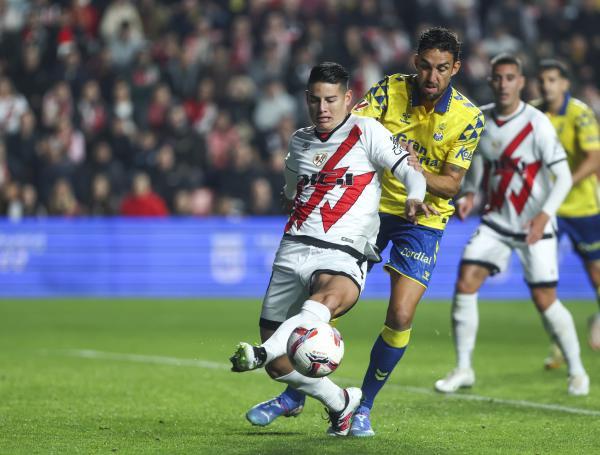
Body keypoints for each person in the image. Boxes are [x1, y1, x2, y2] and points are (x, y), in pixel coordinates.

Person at [229, 62, 432, 436]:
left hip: (344, 251)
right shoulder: (299, 141)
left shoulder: (367, 131)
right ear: (307, 100)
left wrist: (415, 196)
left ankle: (259, 353)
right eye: (316, 100)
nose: (323, 108)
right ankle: (340, 402)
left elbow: (409, 171)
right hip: (293, 250)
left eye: (331, 100)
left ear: (349, 99)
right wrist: (291, 196)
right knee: (280, 365)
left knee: (321, 302)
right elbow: (291, 189)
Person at [348, 27, 484, 437]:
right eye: (425, 66)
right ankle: (300, 390)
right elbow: (350, 138)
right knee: (332, 298)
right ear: (415, 63)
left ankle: (363, 408)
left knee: (402, 313)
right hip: (371, 209)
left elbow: (453, 183)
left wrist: (416, 173)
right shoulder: (388, 92)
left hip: (422, 218)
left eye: (442, 69)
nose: (432, 77)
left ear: (455, 68)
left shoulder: (469, 117)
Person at [434, 54, 589, 396]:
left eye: (510, 78)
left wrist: (545, 215)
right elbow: (480, 163)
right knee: (465, 281)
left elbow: (562, 177)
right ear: (491, 82)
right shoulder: (483, 119)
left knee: (544, 299)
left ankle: (577, 370)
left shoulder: (537, 123)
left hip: (535, 225)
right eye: (497, 78)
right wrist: (471, 193)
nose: (503, 84)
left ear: (521, 83)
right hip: (497, 222)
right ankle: (463, 368)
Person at [532, 59, 600, 369]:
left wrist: (563, 183)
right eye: (542, 80)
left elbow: (594, 158)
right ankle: (558, 345)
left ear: (564, 84)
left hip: (583, 206)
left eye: (552, 80)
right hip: (546, 210)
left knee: (595, 273)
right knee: (545, 281)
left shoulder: (579, 113)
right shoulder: (531, 113)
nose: (546, 85)